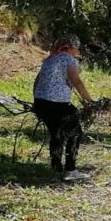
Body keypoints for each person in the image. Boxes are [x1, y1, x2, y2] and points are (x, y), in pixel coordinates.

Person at [32, 35, 94, 181]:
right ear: (70, 47)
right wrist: (89, 101)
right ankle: (70, 170)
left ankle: (56, 167)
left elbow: (37, 81)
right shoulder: (67, 59)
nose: (77, 51)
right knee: (75, 132)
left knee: (56, 134)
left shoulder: (49, 59)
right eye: (77, 48)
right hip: (57, 103)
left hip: (41, 102)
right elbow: (77, 81)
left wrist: (36, 102)